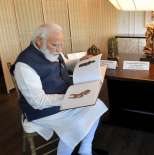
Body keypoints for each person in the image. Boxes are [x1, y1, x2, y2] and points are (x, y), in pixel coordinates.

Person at [11, 23, 108, 155]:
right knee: (76, 125)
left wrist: (80, 61)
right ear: (39, 42)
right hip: (42, 110)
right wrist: (72, 98)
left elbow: (64, 64)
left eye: (61, 44)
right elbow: (38, 102)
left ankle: (85, 149)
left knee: (95, 105)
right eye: (55, 45)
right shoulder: (24, 66)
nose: (59, 49)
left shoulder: (50, 51)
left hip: (64, 99)